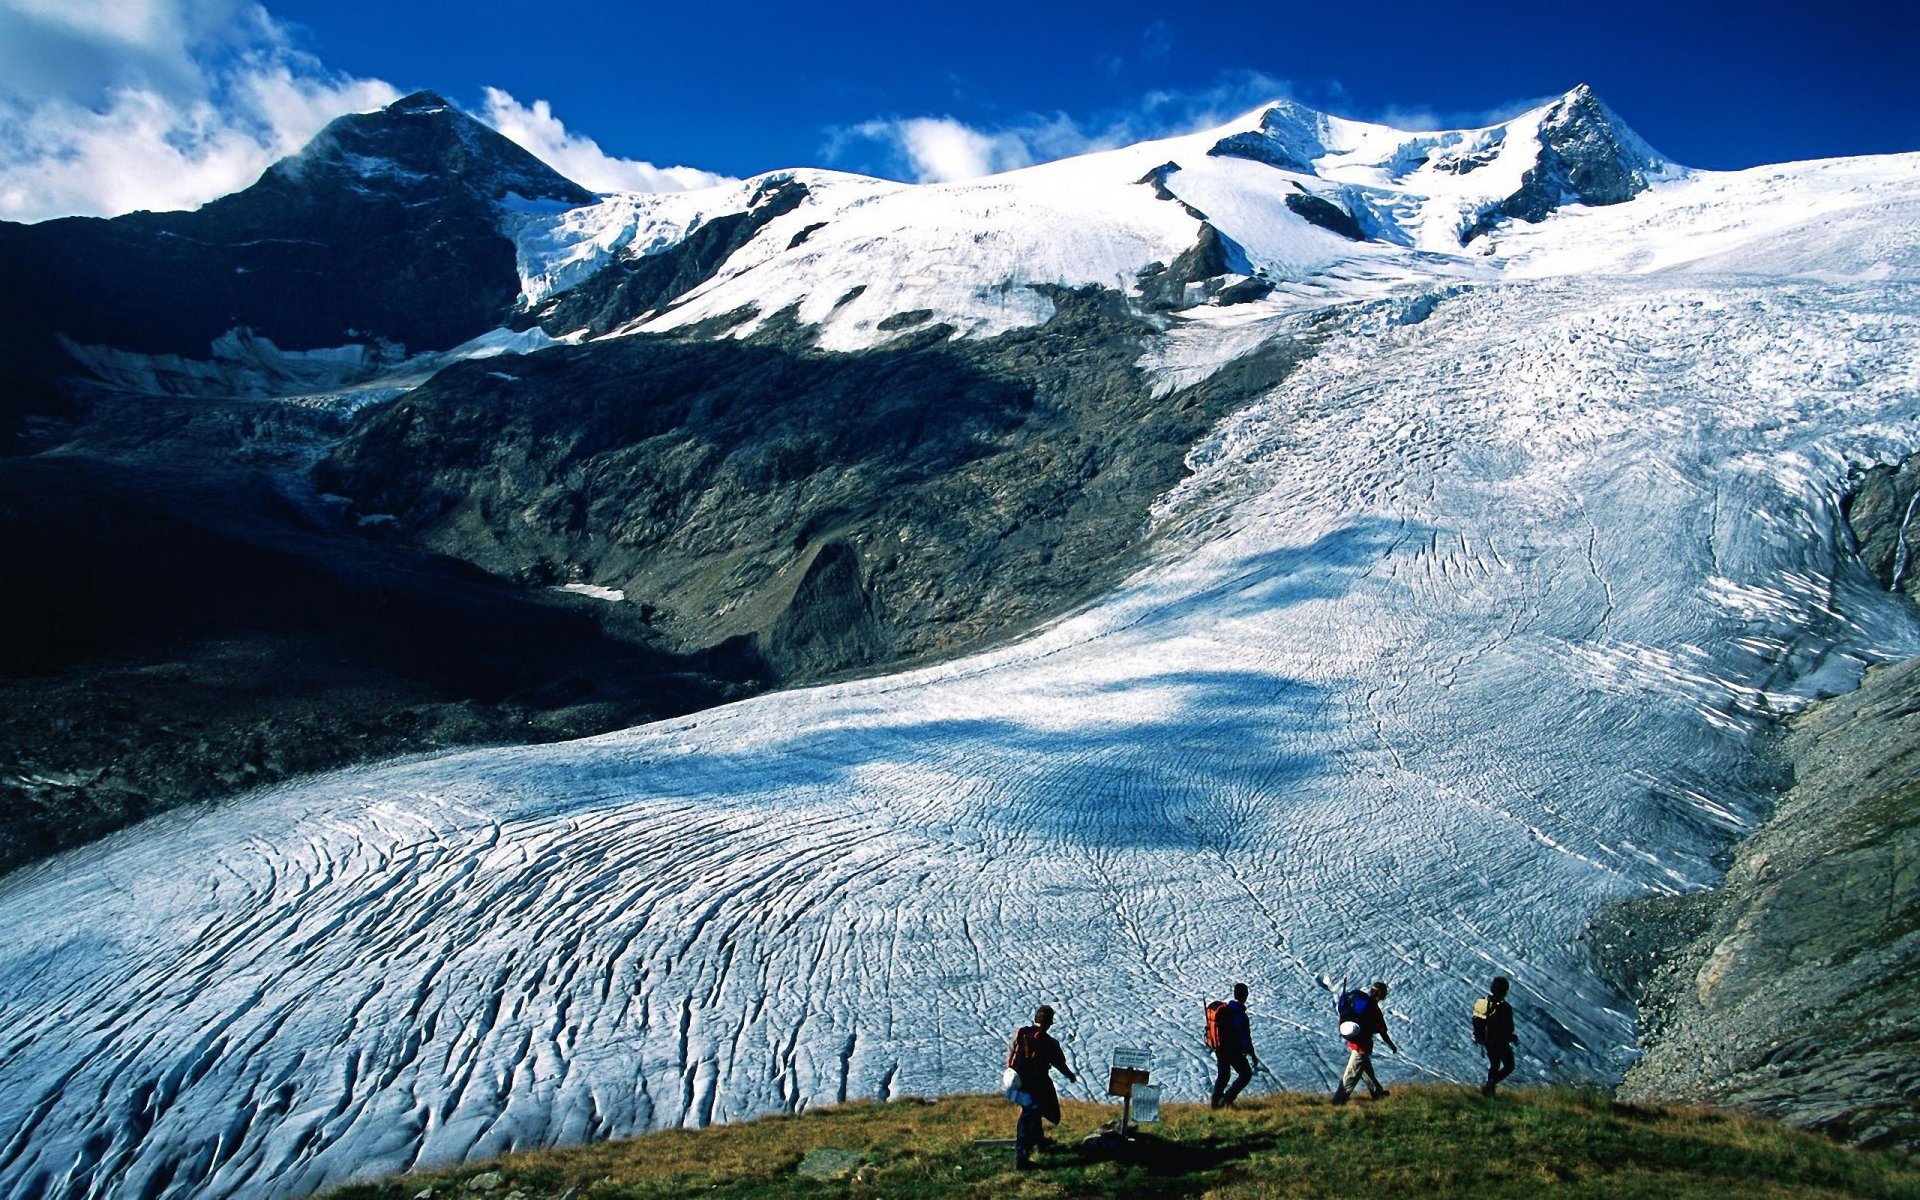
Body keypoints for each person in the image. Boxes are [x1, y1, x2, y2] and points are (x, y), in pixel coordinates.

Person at [1005, 1004, 1077, 1170]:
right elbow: (1059, 1063)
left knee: (1033, 1112)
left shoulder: (1020, 1033)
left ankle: (1040, 1142)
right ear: (1050, 1022)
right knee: (1029, 1116)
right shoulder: (1049, 1043)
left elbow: (1011, 1052)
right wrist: (1070, 1076)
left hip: (1017, 1082)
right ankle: (1022, 1158)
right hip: (1037, 1084)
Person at [1332, 981, 1397, 1104]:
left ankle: (1378, 1093)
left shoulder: (1359, 1001)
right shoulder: (1374, 1010)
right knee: (1351, 1075)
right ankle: (1338, 1101)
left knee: (1365, 1070)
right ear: (1380, 994)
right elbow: (1382, 1032)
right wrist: (1391, 1045)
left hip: (1354, 1042)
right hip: (1362, 1047)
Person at [1210, 982, 1258, 1108]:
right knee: (1246, 1074)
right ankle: (1226, 1100)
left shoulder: (1226, 1008)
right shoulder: (1239, 1014)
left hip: (1220, 1048)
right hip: (1232, 1050)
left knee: (1223, 1076)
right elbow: (1244, 1037)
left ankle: (1215, 1103)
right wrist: (1252, 1054)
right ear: (1245, 995)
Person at [1472, 975, 1517, 1096]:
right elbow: (1509, 1028)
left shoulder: (1482, 1002)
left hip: (1486, 1040)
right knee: (1509, 1066)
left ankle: (1489, 1092)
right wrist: (1511, 1037)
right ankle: (1489, 1085)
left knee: (1494, 1064)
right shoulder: (1504, 1007)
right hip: (1499, 1041)